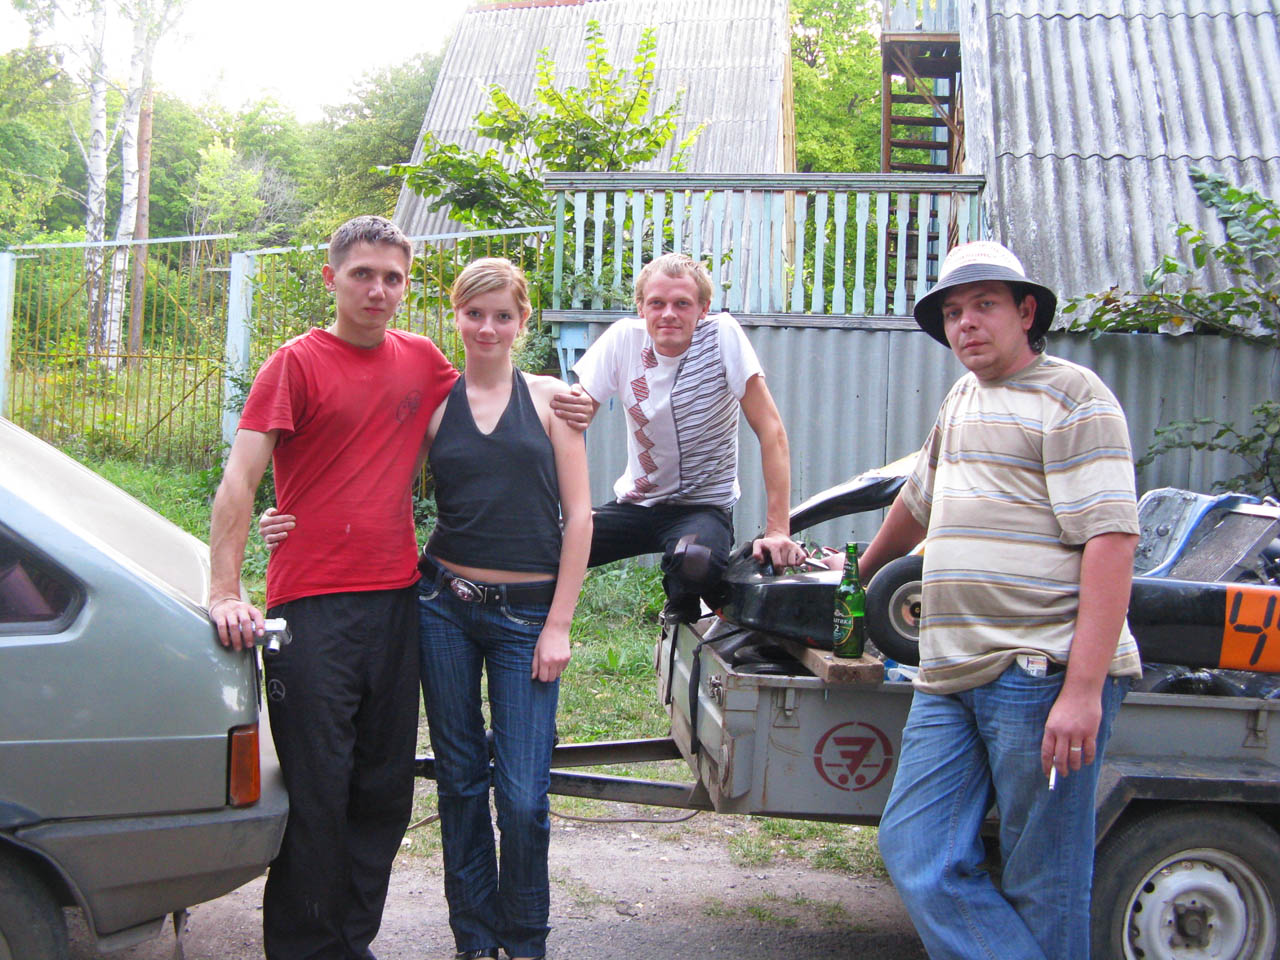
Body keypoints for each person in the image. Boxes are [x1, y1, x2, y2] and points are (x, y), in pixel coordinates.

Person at [259, 259, 591, 960]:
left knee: (523, 797)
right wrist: (286, 517)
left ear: (523, 321)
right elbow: (372, 482)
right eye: (475, 314)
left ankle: (524, 938)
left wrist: (559, 623)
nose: (488, 328)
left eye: (503, 315)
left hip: (528, 619)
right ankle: (474, 936)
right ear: (456, 316)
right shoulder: (437, 403)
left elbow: (581, 516)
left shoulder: (553, 399)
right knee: (460, 781)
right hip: (442, 607)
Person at [853, 240, 1142, 959]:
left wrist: (1083, 690)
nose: (966, 324)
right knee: (916, 849)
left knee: (1043, 877)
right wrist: (861, 572)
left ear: (1027, 312)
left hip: (1039, 673)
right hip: (949, 669)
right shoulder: (962, 398)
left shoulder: (1074, 397)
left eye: (984, 305)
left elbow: (1111, 541)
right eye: (953, 312)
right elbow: (917, 501)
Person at [207, 215, 458, 960]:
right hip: (311, 608)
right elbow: (240, 480)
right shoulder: (295, 364)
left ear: (406, 287)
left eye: (392, 278)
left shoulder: (422, 361)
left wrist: (560, 398)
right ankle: (303, 949)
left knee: (383, 791)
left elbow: (489, 402)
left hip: (397, 602)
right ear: (332, 279)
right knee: (320, 790)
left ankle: (351, 942)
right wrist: (225, 590)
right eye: (362, 275)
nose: (378, 290)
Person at [549, 252, 806, 620]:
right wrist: (571, 406)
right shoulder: (623, 339)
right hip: (636, 504)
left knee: (695, 561)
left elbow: (771, 431)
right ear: (641, 307)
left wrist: (778, 529)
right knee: (544, 544)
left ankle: (686, 594)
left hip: (701, 507)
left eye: (682, 304)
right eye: (657, 303)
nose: (668, 313)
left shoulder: (722, 336)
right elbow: (578, 414)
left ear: (703, 308)